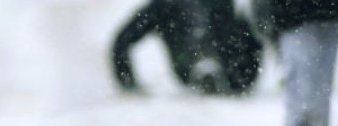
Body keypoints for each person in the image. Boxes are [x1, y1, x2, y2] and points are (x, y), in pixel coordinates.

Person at [111, 0, 263, 96]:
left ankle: (206, 65)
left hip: (197, 65)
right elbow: (255, 39)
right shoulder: (163, 5)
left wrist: (127, 83)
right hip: (222, 67)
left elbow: (121, 41)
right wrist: (247, 77)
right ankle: (205, 65)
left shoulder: (163, 5)